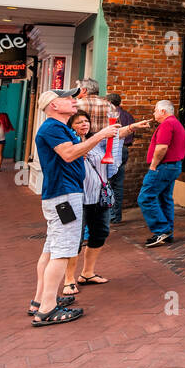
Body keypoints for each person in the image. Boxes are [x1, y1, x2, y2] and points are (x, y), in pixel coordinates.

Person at [30, 88, 137, 325]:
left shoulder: (60, 128)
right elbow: (68, 154)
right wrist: (100, 136)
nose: (73, 100)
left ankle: (40, 300)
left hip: (62, 194)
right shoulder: (53, 128)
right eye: (67, 98)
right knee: (64, 249)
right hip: (64, 196)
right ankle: (47, 309)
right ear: (53, 106)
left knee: (51, 248)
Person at [63, 109, 127, 294]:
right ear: (70, 126)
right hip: (74, 198)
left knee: (100, 233)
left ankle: (87, 273)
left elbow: (114, 141)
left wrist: (130, 128)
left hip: (98, 196)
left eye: (86, 121)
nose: (84, 124)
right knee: (73, 239)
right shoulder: (68, 145)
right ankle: (69, 279)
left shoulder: (97, 142)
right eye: (78, 122)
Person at [138, 99, 185, 248]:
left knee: (145, 198)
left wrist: (153, 165)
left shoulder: (166, 124)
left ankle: (161, 230)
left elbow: (161, 148)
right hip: (173, 167)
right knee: (164, 199)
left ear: (163, 112)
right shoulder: (176, 124)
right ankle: (167, 233)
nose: (154, 113)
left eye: (155, 110)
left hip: (163, 167)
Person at [105, 93, 136, 224]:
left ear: (109, 102)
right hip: (125, 150)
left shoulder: (110, 115)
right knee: (118, 184)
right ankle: (116, 215)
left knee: (108, 183)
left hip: (113, 149)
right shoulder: (128, 116)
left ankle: (111, 215)